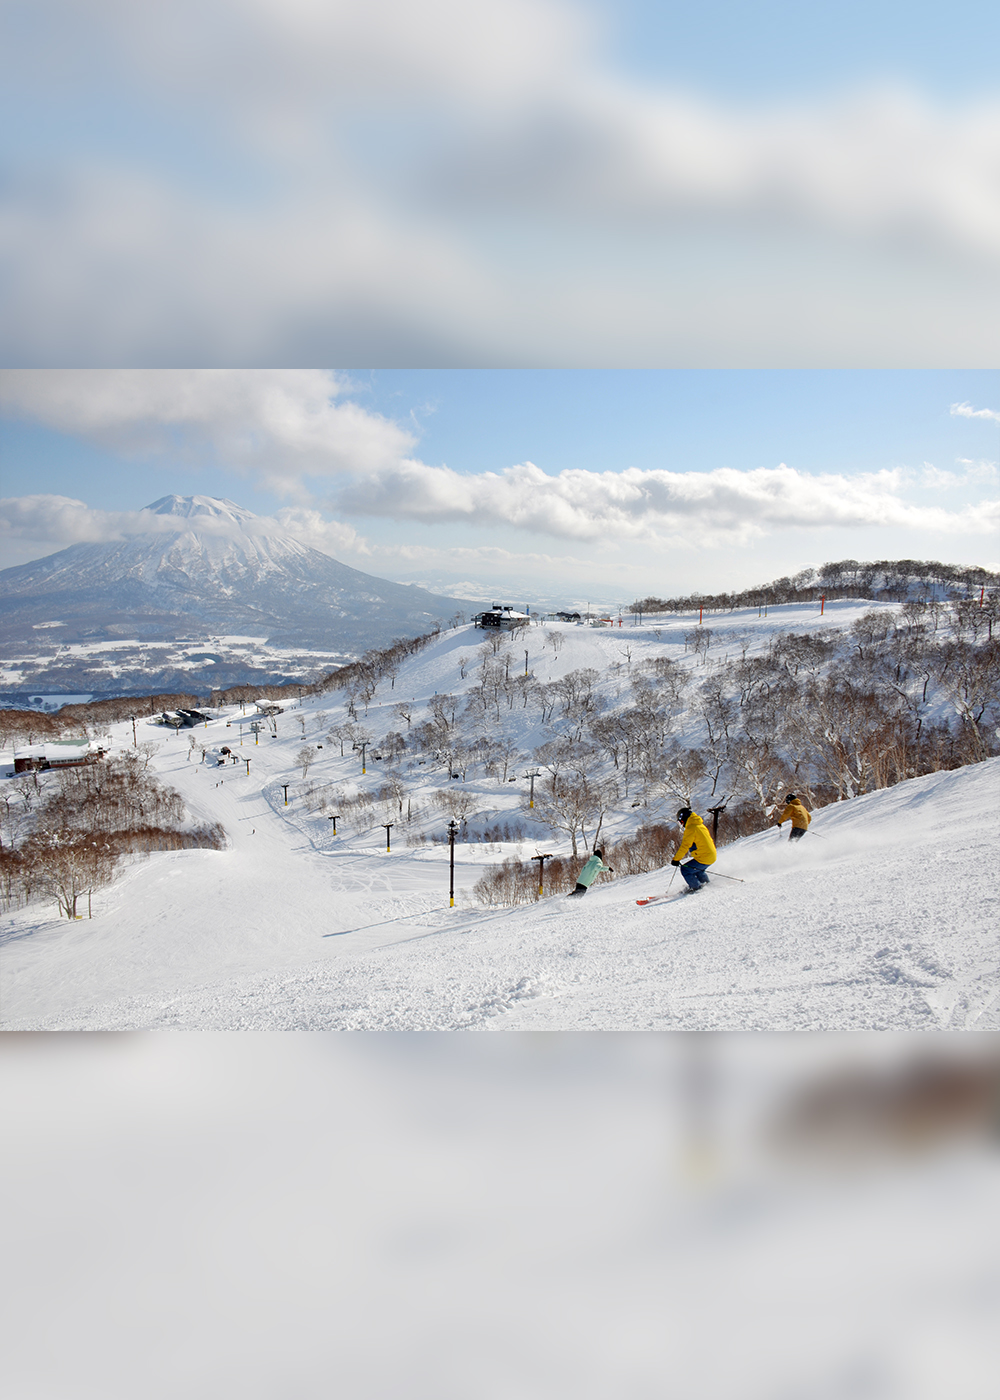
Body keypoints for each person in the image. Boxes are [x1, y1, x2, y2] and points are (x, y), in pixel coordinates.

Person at [670, 807, 717, 893]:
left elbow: (685, 846)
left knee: (685, 870)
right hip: (711, 855)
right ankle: (706, 884)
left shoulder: (691, 828)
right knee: (697, 870)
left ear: (684, 818)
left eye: (681, 821)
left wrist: (676, 859)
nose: (681, 823)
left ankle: (696, 888)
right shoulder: (700, 825)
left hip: (704, 857)